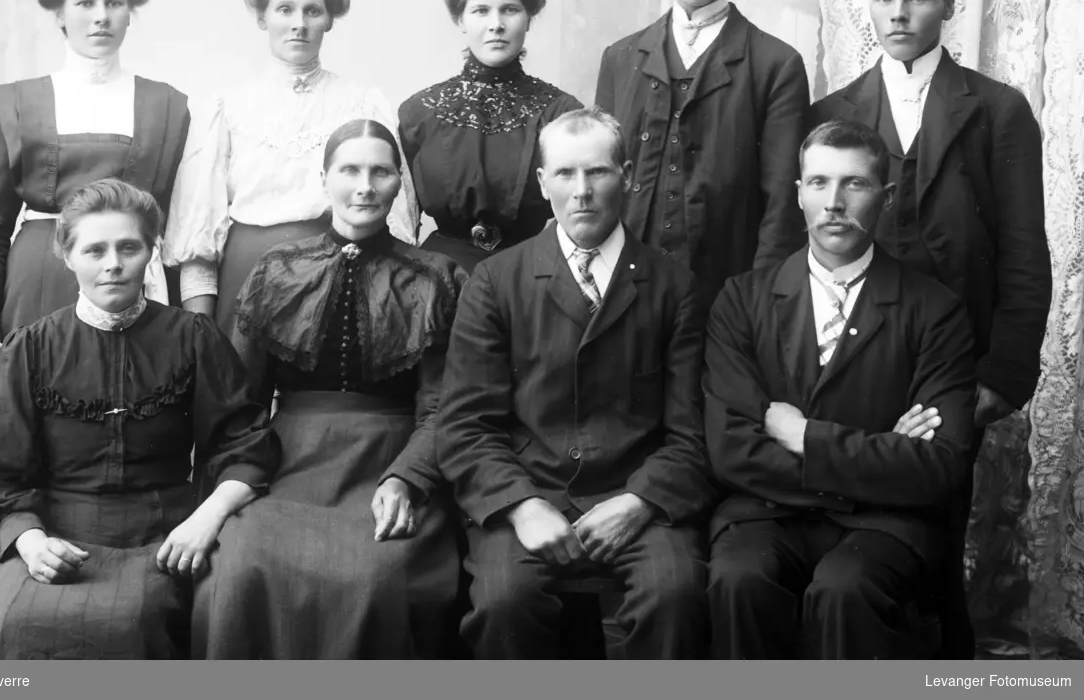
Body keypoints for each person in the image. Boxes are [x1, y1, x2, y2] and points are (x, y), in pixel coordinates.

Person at [0, 0, 192, 660]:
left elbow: (175, 219)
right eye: (85, 3)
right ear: (60, 15)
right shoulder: (17, 101)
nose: (100, 15)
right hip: (35, 282)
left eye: (113, 2)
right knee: (16, 440)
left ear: (132, 13)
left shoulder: (166, 105)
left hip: (131, 277)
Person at [807, 0, 1052, 657]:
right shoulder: (833, 109)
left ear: (947, 5)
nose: (899, 13)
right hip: (854, 360)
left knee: (938, 537)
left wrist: (999, 380)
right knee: (860, 530)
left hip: (955, 366)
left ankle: (944, 669)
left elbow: (1023, 255)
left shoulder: (997, 110)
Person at [436, 107, 716, 659]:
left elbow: (693, 432)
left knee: (677, 594)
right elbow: (466, 424)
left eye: (599, 173)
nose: (582, 191)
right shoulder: (496, 281)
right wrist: (520, 506)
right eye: (564, 174)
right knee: (501, 603)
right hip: (529, 491)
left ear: (628, 175)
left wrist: (640, 501)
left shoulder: (673, 286)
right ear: (543, 183)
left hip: (637, 495)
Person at [0, 179, 279, 659]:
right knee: (20, 624)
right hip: (55, 530)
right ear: (67, 256)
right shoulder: (32, 348)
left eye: (129, 247)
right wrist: (30, 543)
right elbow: (1, 472)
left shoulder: (192, 337)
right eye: (94, 250)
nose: (113, 263)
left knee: (133, 622)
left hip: (163, 533)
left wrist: (206, 520)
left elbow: (244, 445)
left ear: (151, 252)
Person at [703, 120, 978, 659]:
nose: (834, 202)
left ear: (887, 196)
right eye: (819, 183)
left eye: (855, 184)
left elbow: (939, 463)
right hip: (765, 512)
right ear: (798, 194)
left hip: (887, 524)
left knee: (846, 587)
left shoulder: (934, 310)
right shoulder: (742, 301)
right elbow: (733, 449)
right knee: (739, 577)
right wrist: (879, 456)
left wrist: (803, 435)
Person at [192, 120, 466, 659]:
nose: (364, 186)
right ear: (324, 180)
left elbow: (442, 407)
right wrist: (233, 487)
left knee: (375, 576)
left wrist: (409, 479)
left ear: (397, 185)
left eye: (380, 172)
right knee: (243, 562)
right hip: (283, 464)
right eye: (350, 170)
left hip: (390, 463)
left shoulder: (436, 278)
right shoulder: (277, 270)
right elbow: (241, 402)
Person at [163, 0, 419, 336]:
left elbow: (394, 222)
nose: (298, 24)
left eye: (312, 11)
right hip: (246, 276)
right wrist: (201, 331)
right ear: (262, 17)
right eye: (285, 9)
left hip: (341, 274)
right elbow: (198, 237)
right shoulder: (226, 107)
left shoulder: (362, 102)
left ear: (330, 19)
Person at [595, 0, 809, 308]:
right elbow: (600, 180)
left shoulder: (775, 64)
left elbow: (783, 201)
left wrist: (759, 300)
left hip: (727, 292)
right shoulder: (620, 59)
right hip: (624, 286)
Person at [398, 0, 582, 272]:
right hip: (438, 277)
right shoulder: (418, 113)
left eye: (510, 10)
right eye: (481, 10)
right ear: (460, 20)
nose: (496, 24)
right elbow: (402, 219)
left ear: (528, 19)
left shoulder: (561, 112)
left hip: (531, 273)